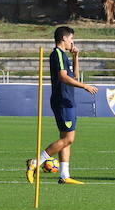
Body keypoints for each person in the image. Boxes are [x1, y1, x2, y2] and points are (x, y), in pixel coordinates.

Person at [25, 26, 98, 185]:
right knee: (68, 139)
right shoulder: (57, 54)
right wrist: (84, 86)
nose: (72, 42)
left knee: (66, 139)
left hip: (67, 100)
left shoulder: (64, 56)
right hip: (62, 100)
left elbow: (74, 76)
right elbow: (64, 77)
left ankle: (64, 175)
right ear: (64, 38)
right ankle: (36, 162)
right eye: (71, 38)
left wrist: (76, 57)